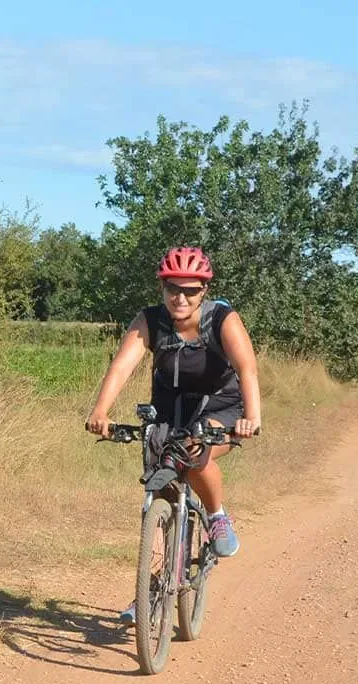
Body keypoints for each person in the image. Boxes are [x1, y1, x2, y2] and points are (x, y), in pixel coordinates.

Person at [85, 247, 263, 625]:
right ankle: (155, 590)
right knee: (163, 488)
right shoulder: (149, 321)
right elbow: (122, 367)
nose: (180, 298)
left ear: (204, 291)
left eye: (190, 290)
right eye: (172, 289)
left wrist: (251, 416)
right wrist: (101, 410)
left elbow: (247, 369)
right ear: (162, 288)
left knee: (194, 452)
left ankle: (216, 516)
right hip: (170, 406)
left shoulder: (223, 319)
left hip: (220, 405)